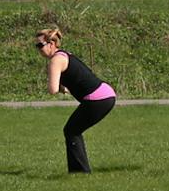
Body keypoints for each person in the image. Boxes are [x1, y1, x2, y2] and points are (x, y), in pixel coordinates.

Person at [37, 27, 116, 173]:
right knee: (73, 130)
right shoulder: (64, 55)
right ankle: (79, 171)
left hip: (98, 99)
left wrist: (55, 85)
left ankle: (80, 172)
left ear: (52, 44)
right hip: (105, 94)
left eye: (40, 45)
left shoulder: (56, 60)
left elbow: (52, 89)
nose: (38, 49)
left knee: (72, 130)